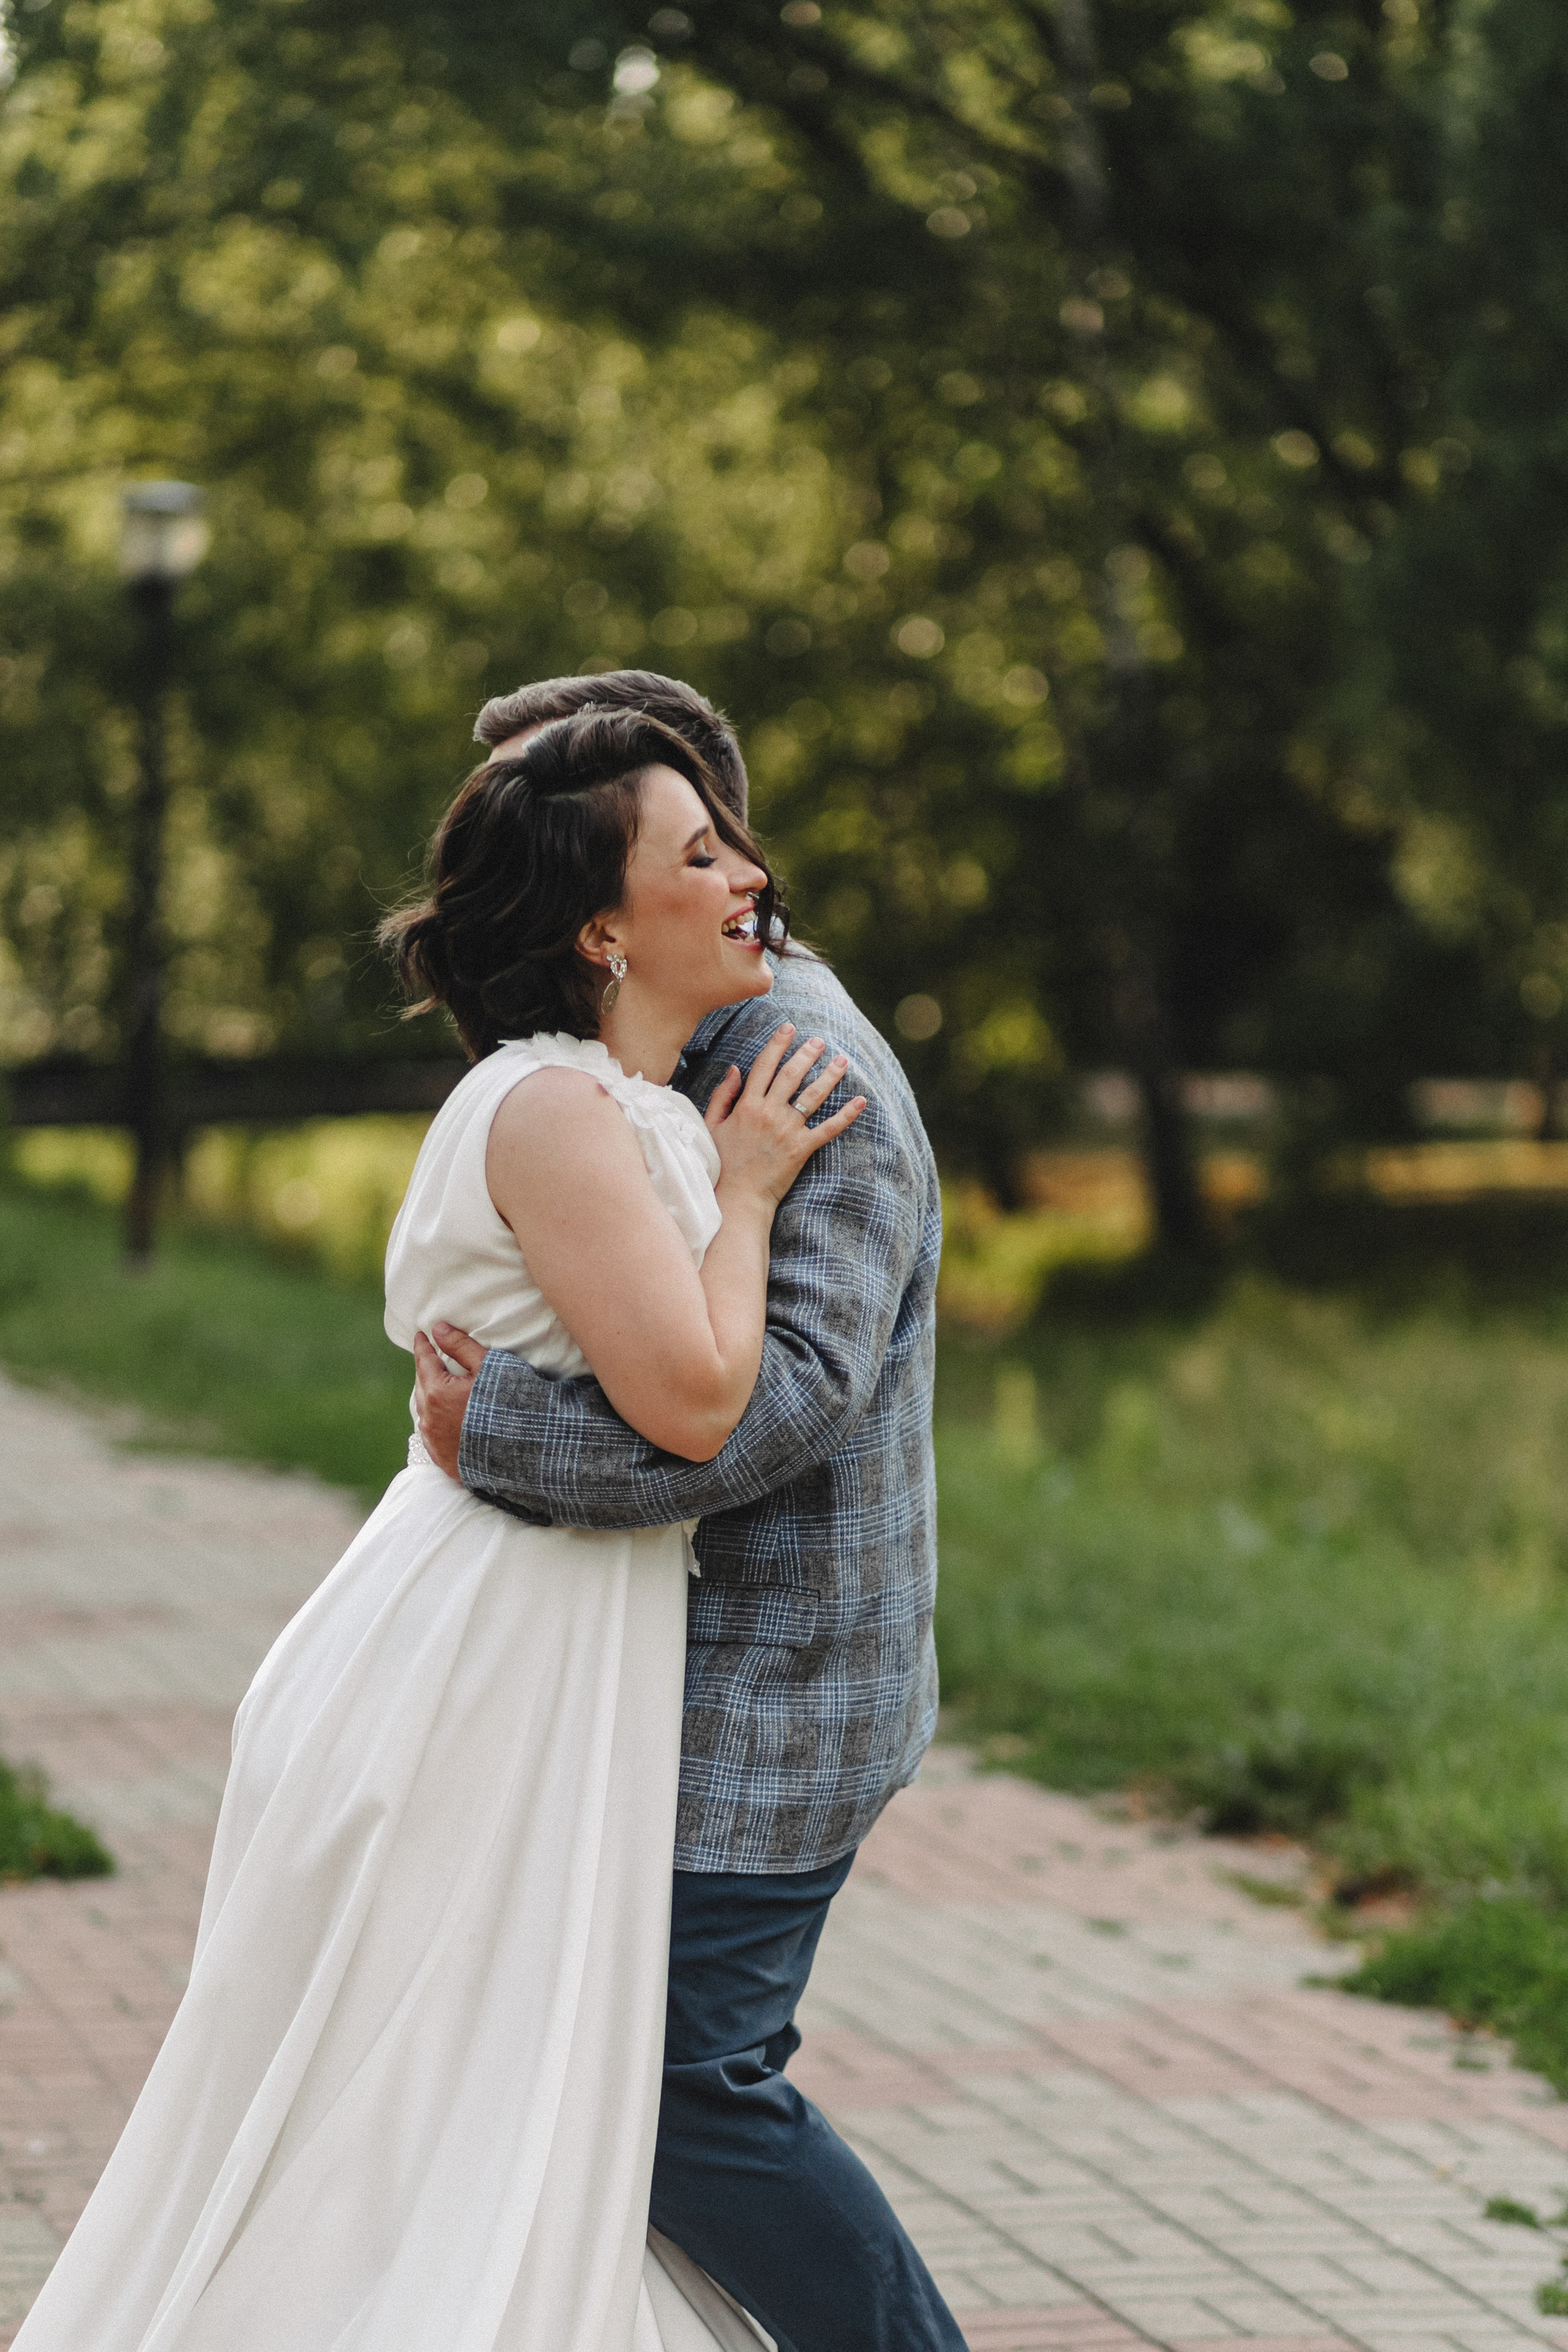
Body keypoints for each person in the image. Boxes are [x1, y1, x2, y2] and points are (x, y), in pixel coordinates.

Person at [12, 709, 864, 2352]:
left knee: (480, 2112)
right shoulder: (553, 1112)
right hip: (477, 1667)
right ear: (601, 930)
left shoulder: (620, 1104)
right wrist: (753, 1194)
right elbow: (699, 1402)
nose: (749, 878)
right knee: (401, 2126)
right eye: (701, 855)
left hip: (545, 1641)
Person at [413, 672, 963, 2352]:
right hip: (658, 1672)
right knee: (618, 2077)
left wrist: (498, 1428)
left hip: (771, 1694)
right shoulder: (635, 1054)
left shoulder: (796, 1062)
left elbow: (779, 1408)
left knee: (674, 2087)